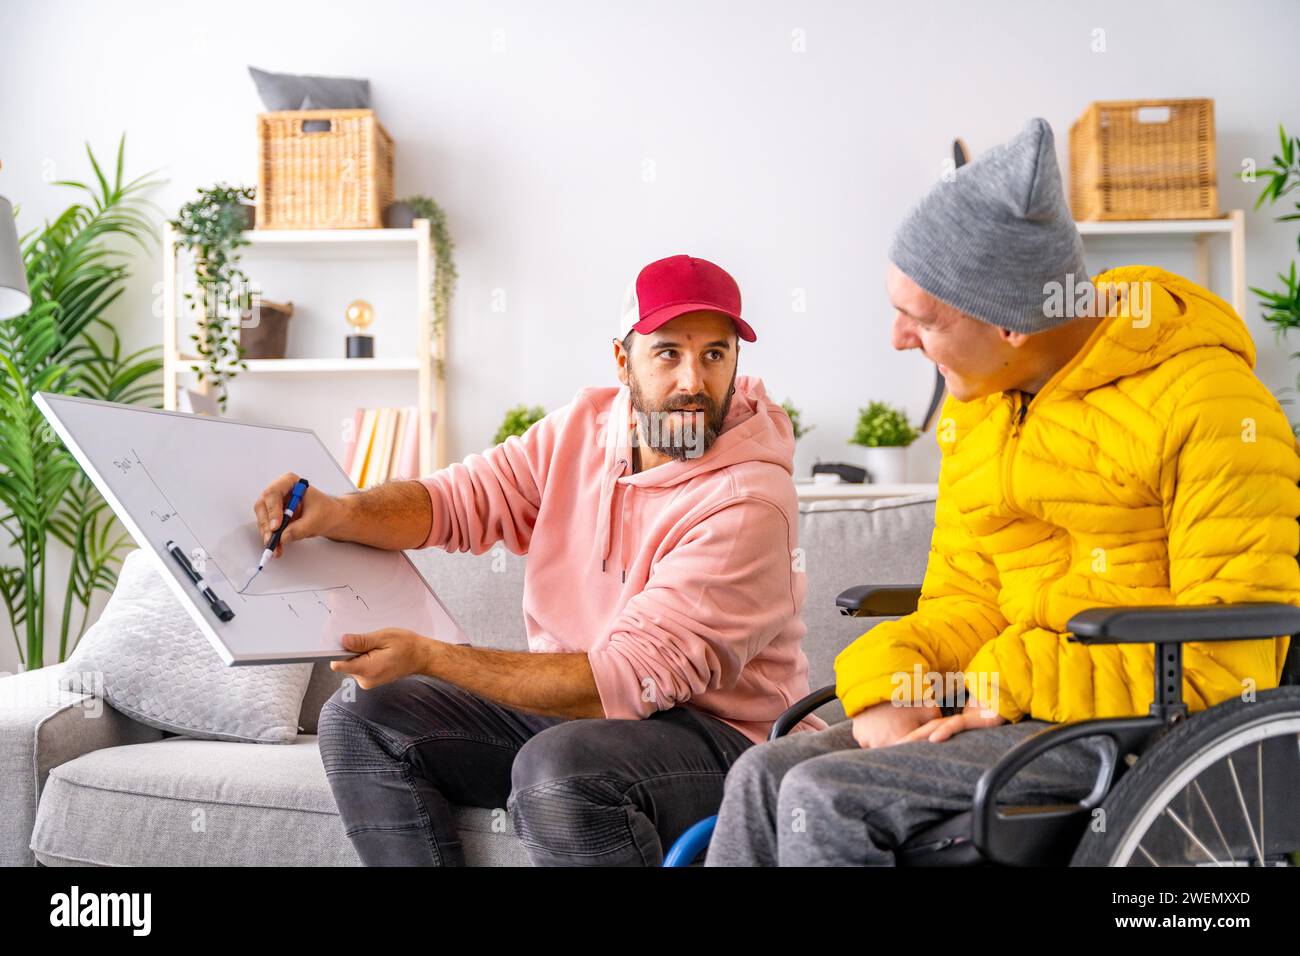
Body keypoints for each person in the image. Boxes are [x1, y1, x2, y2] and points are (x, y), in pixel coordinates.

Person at [706, 117, 1300, 866]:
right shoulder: (981, 406)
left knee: (826, 798)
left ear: (1012, 325)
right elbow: (968, 596)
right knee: (762, 776)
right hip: (1010, 702)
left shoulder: (1209, 404)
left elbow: (1232, 665)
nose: (896, 338)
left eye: (919, 317)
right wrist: (897, 683)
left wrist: (1007, 682)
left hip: (1139, 726)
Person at [253, 253, 826, 866]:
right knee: (362, 718)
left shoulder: (750, 501)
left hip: (724, 743)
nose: (693, 380)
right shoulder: (582, 430)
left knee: (560, 772)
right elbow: (455, 501)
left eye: (715, 354)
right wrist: (340, 512)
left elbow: (625, 681)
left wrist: (434, 657)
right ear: (622, 360)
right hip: (589, 723)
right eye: (668, 353)